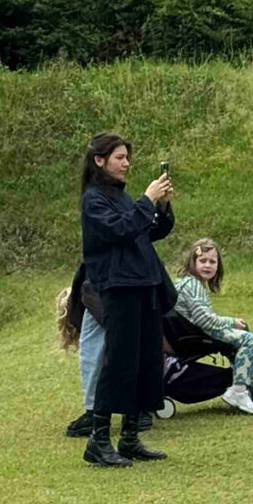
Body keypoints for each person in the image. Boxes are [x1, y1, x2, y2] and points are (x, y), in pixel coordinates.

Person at [79, 132, 173, 467]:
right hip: (119, 289)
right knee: (118, 360)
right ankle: (99, 439)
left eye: (127, 157)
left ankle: (130, 436)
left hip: (145, 284)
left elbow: (149, 230)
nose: (126, 163)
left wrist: (160, 207)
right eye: (120, 157)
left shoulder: (121, 197)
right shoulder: (93, 199)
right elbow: (119, 230)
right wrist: (146, 200)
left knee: (147, 359)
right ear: (99, 160)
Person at [173, 238, 253, 415]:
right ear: (192, 263)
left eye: (212, 261)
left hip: (187, 332)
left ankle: (247, 385)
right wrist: (232, 322)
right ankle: (239, 390)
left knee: (240, 334)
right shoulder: (193, 286)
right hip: (194, 336)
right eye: (202, 261)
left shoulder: (186, 283)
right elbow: (205, 321)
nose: (207, 265)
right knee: (247, 339)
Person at [59, 264, 107, 437]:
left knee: (92, 347)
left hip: (102, 280)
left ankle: (93, 412)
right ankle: (139, 410)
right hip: (135, 277)